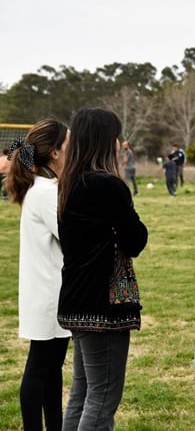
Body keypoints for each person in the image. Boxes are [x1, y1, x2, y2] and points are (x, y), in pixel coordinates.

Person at [57, 108, 149, 430]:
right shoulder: (108, 186)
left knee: (82, 394)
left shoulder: (68, 184)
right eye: (115, 136)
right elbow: (134, 240)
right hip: (102, 305)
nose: (120, 143)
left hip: (76, 300)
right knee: (102, 397)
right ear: (105, 142)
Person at [5, 119, 71, 431]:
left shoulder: (45, 187)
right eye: (69, 144)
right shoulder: (45, 191)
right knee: (39, 369)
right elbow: (72, 238)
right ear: (56, 153)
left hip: (50, 291)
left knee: (51, 369)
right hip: (48, 294)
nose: (74, 150)